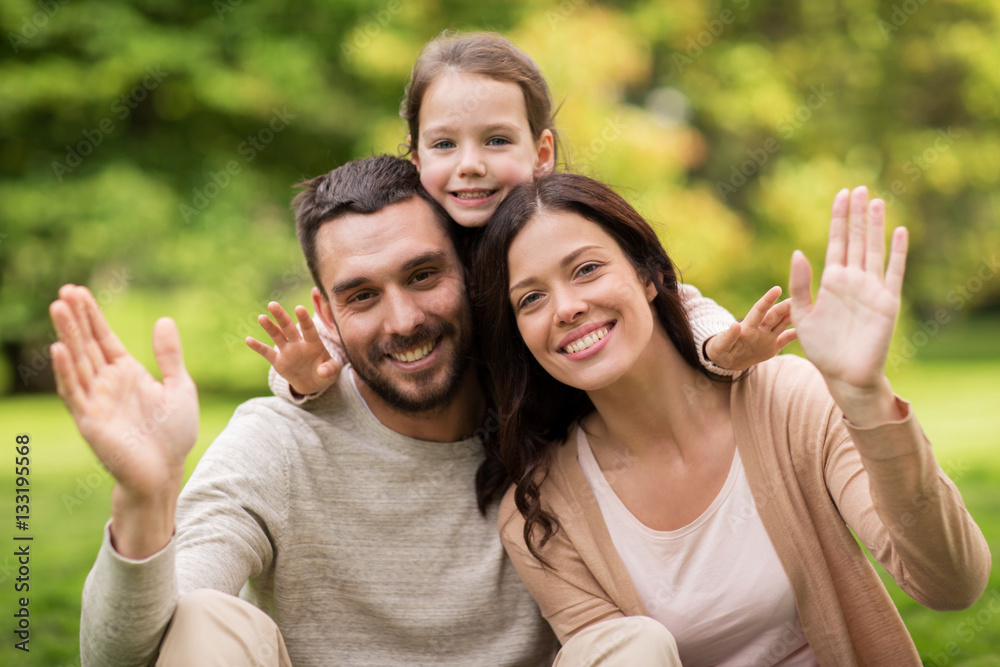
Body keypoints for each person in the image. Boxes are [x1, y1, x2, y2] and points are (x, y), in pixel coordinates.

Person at [51, 156, 561, 667]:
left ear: (472, 271)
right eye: (362, 296)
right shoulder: (278, 445)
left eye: (423, 275)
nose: (403, 321)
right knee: (204, 618)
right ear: (326, 314)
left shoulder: (552, 417)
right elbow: (127, 656)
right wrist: (144, 500)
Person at [471, 174, 992, 665]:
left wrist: (866, 398)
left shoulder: (786, 403)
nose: (566, 307)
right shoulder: (541, 515)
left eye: (586, 269)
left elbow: (952, 584)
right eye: (531, 298)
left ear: (649, 276)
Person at [247, 31, 797, 403]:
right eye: (444, 145)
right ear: (416, 159)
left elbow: (679, 299)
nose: (470, 166)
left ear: (541, 153)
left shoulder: (559, 225)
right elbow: (340, 330)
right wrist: (298, 378)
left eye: (496, 140)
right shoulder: (425, 243)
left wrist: (719, 347)